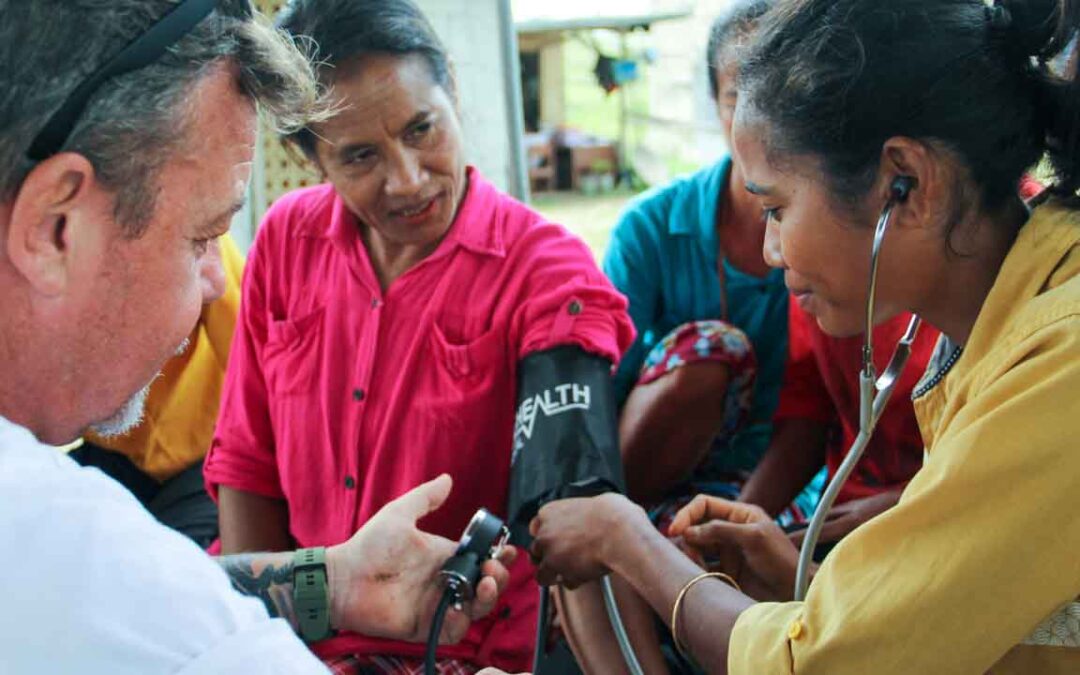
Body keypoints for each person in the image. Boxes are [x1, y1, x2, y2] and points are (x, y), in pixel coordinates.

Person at [529, 0, 1080, 673]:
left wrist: (629, 538)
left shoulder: (1063, 360)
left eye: (777, 208)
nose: (769, 249)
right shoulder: (995, 334)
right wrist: (806, 587)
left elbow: (820, 664)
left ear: (906, 183)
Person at [0, 2, 512, 672]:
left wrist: (337, 581)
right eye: (203, 239)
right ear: (55, 226)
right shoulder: (100, 578)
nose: (216, 280)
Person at [203, 1, 634, 673]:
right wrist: (264, 643)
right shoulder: (286, 243)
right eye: (361, 156)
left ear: (453, 91)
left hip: (455, 650)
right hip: (293, 627)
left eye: (421, 128)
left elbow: (568, 517)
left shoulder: (546, 274)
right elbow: (248, 468)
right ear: (311, 158)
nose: (406, 179)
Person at [71, 232, 246, 548]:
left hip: (198, 454)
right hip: (113, 449)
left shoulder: (202, 234)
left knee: (177, 560)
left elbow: (244, 361)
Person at [739, 302, 938, 550]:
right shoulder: (812, 288)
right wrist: (740, 521)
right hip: (837, 519)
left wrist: (902, 505)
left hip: (938, 528)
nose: (774, 261)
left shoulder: (963, 322)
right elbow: (809, 412)